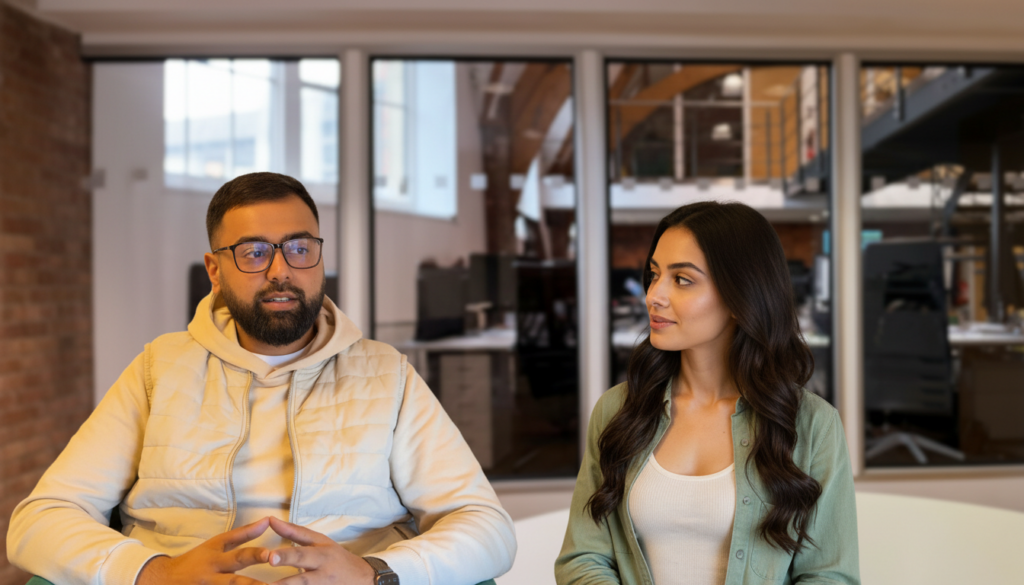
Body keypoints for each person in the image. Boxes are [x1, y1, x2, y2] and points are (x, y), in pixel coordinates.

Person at [8, 172, 516, 585]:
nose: (280, 271)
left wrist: (374, 573)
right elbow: (41, 518)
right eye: (253, 251)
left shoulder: (387, 374)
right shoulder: (158, 368)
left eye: (299, 247)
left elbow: (487, 528)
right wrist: (155, 574)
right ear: (214, 270)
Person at [555, 201, 859, 585]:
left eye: (682, 279)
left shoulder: (813, 424)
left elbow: (829, 577)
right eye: (654, 274)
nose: (654, 295)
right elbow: (582, 558)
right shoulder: (618, 409)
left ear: (740, 297)